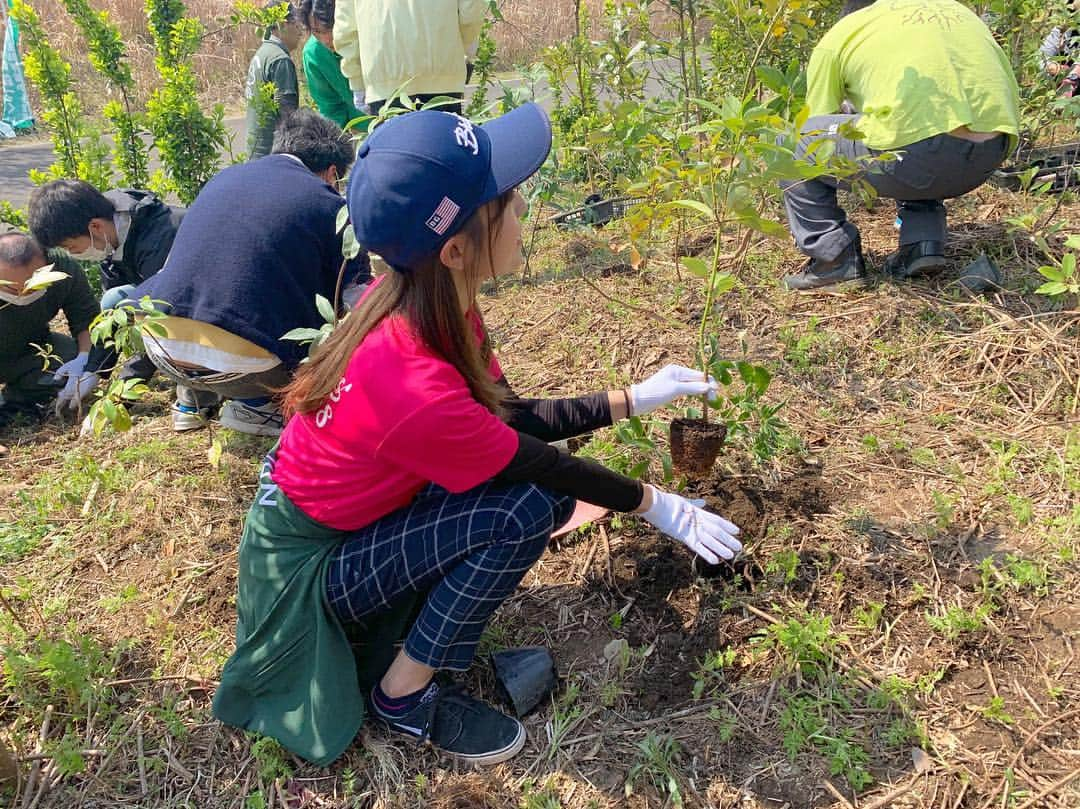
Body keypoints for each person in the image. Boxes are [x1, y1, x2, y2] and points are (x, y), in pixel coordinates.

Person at [211, 104, 744, 767]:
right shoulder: (409, 376)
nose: (521, 208)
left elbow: (510, 416)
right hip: (308, 566)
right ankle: (403, 696)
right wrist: (656, 504)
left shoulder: (436, 305)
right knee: (526, 507)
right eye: (507, 201)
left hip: (355, 519)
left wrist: (635, 397)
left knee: (520, 491)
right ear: (456, 247)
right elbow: (536, 463)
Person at [118, 109, 367, 436]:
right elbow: (355, 297)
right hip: (249, 370)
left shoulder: (224, 178)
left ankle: (191, 401)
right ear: (332, 172)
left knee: (211, 295)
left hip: (161, 350)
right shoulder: (329, 205)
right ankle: (257, 407)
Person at [780, 0, 1020, 290]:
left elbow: (817, 129)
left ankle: (833, 258)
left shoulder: (841, 34)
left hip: (917, 156)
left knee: (793, 143)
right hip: (990, 153)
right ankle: (921, 244)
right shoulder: (954, 11)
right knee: (915, 124)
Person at [0, 233, 99, 424]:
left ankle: (16, 402)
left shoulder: (63, 269)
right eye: (12, 290)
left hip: (28, 351)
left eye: (32, 287)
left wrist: (84, 360)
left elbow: (86, 318)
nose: (23, 295)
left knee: (68, 359)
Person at [333, 0, 486, 116]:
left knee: (396, 157)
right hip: (444, 82)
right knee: (445, 155)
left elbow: (345, 33)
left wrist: (357, 83)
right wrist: (460, 47)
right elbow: (472, 11)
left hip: (384, 88)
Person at [245, 0, 303, 160]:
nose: (300, 30)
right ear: (282, 25)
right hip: (271, 155)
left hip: (255, 152)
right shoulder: (280, 60)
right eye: (296, 23)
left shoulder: (262, 53)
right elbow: (288, 117)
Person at [297, 0, 365, 130]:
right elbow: (331, 110)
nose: (327, 39)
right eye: (317, 32)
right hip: (362, 132)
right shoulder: (314, 54)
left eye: (331, 27)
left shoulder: (366, 36)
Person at [1040, 1, 1079, 97]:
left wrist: (1073, 74)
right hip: (1063, 88)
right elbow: (1042, 55)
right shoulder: (1063, 30)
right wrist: (1052, 66)